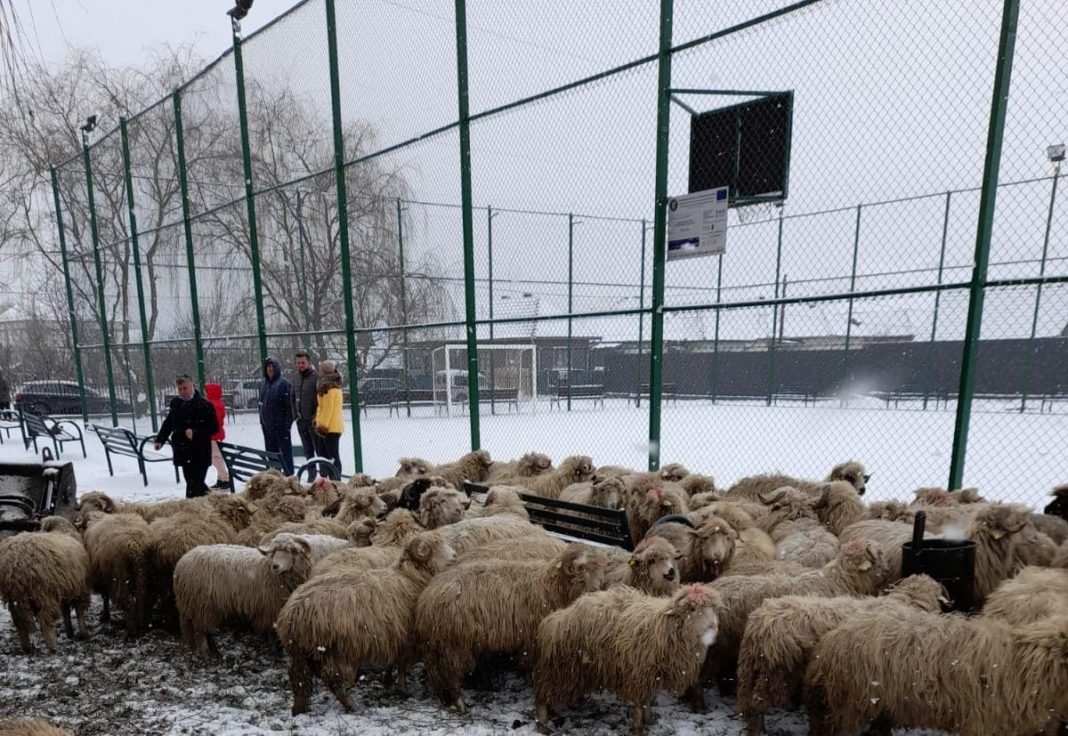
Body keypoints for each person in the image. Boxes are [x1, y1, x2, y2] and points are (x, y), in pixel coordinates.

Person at [155, 374, 218, 498]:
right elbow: (169, 423)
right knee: (192, 483)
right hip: (183, 451)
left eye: (185, 388)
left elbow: (214, 427)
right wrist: (160, 439)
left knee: (195, 485)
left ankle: (194, 509)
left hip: (200, 452)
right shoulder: (176, 404)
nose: (183, 392)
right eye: (180, 389)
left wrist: (196, 433)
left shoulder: (204, 405)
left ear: (192, 386)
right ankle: (211, 503)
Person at [259, 357, 294, 475]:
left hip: (281, 427)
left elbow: (290, 408)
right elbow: (261, 403)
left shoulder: (284, 384)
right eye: (268, 366)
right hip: (267, 426)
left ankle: (289, 476)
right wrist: (262, 422)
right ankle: (275, 476)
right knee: (271, 453)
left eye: (273, 366)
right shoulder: (263, 384)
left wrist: (287, 425)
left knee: (285, 453)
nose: (270, 368)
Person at [290, 350, 319, 481]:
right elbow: (292, 396)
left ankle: (325, 475)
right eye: (298, 363)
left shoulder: (316, 377)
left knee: (319, 450)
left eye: (303, 362)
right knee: (308, 451)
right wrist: (295, 415)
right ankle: (312, 476)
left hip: (314, 422)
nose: (300, 365)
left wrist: (315, 417)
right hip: (301, 421)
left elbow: (321, 399)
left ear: (309, 362)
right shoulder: (296, 377)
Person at [312, 360, 344, 477]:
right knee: (327, 456)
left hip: (330, 428)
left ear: (325, 371)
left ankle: (335, 479)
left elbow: (328, 410)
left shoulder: (330, 389)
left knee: (333, 456)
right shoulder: (328, 387)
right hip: (330, 427)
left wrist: (321, 427)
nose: (319, 372)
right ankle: (331, 478)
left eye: (321, 369)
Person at [204, 382, 231, 490]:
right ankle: (221, 479)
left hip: (214, 435)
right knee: (217, 458)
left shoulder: (214, 405)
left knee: (215, 458)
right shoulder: (214, 403)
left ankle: (225, 478)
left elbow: (215, 420)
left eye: (206, 391)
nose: (205, 393)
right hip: (215, 435)